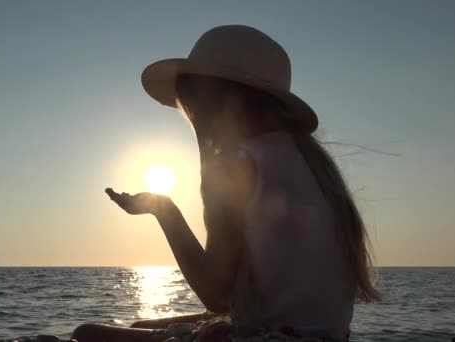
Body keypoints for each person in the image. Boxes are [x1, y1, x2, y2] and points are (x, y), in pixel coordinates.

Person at [72, 25, 380, 342]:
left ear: (212, 100)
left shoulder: (238, 165)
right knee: (139, 327)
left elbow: (215, 294)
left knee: (87, 334)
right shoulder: (314, 166)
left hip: (267, 337)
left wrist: (163, 209)